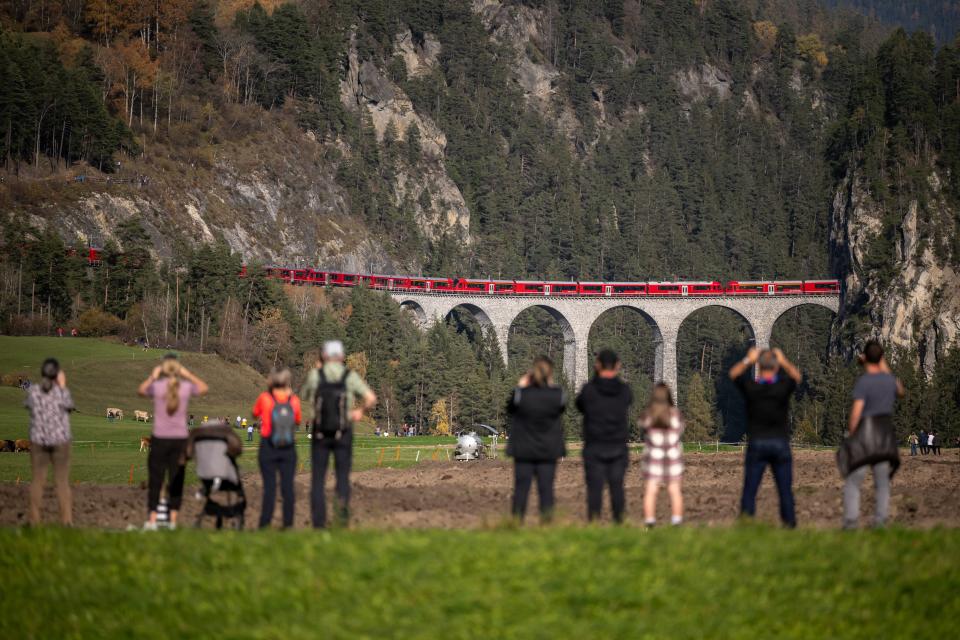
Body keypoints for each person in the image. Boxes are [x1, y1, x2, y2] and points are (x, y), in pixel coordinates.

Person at [300, 340, 376, 529]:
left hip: (320, 432)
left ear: (324, 356)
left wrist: (318, 370)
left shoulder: (316, 375)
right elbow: (371, 398)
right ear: (342, 357)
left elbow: (305, 395)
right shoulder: (348, 376)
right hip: (343, 431)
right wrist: (359, 412)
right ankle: (341, 519)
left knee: (318, 478)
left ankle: (318, 523)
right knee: (342, 477)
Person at [728, 347, 802, 528]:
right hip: (780, 443)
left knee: (750, 489)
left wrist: (748, 359)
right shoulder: (783, 386)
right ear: (776, 368)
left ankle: (746, 524)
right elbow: (796, 377)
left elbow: (733, 374)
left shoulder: (752, 387)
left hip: (757, 443)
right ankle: (790, 525)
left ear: (759, 367)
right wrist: (783, 360)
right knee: (785, 489)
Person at [137, 353, 208, 530]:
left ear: (163, 368)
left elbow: (141, 390)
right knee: (177, 479)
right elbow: (203, 388)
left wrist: (153, 376)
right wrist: (187, 374)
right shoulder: (184, 387)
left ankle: (153, 520)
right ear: (178, 369)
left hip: (160, 439)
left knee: (156, 480)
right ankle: (173, 521)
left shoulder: (158, 386)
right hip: (180, 440)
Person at [842, 340, 904, 529]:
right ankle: (880, 521)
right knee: (882, 481)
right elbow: (900, 390)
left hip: (865, 433)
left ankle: (851, 522)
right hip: (884, 433)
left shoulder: (864, 382)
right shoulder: (889, 381)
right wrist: (881, 362)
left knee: (854, 480)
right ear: (881, 358)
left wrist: (851, 435)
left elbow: (856, 414)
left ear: (865, 358)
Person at [506, 356, 566, 524]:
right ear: (549, 374)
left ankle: (516, 523)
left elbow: (510, 408)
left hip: (524, 450)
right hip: (548, 450)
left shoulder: (521, 395)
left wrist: (520, 386)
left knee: (521, 489)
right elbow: (562, 407)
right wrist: (550, 384)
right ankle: (546, 524)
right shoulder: (557, 395)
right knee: (546, 489)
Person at [576, 349, 633, 524]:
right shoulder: (624, 391)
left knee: (594, 489)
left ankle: (594, 524)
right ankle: (619, 524)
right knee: (617, 487)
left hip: (594, 447)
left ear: (597, 365)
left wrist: (596, 378)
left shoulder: (589, 390)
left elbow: (579, 405)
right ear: (618, 366)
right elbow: (628, 401)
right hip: (618, 447)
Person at [25, 358, 74, 526]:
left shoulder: (33, 391)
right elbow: (68, 407)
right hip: (60, 441)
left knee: (38, 480)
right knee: (61, 481)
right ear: (56, 374)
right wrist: (62, 384)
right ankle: (66, 521)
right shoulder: (62, 392)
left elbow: (30, 407)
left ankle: (34, 520)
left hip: (38, 440)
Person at [252, 368, 302, 529]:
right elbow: (298, 420)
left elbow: (254, 413)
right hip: (288, 447)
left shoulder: (265, 398)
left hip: (268, 445)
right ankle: (288, 524)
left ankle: (265, 523)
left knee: (270, 487)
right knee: (288, 487)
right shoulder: (294, 400)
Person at [640, 383, 686, 528]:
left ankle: (649, 523)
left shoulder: (648, 415)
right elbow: (681, 430)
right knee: (674, 491)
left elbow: (643, 429)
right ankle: (677, 522)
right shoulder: (676, 415)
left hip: (654, 457)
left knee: (651, 491)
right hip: (673, 457)